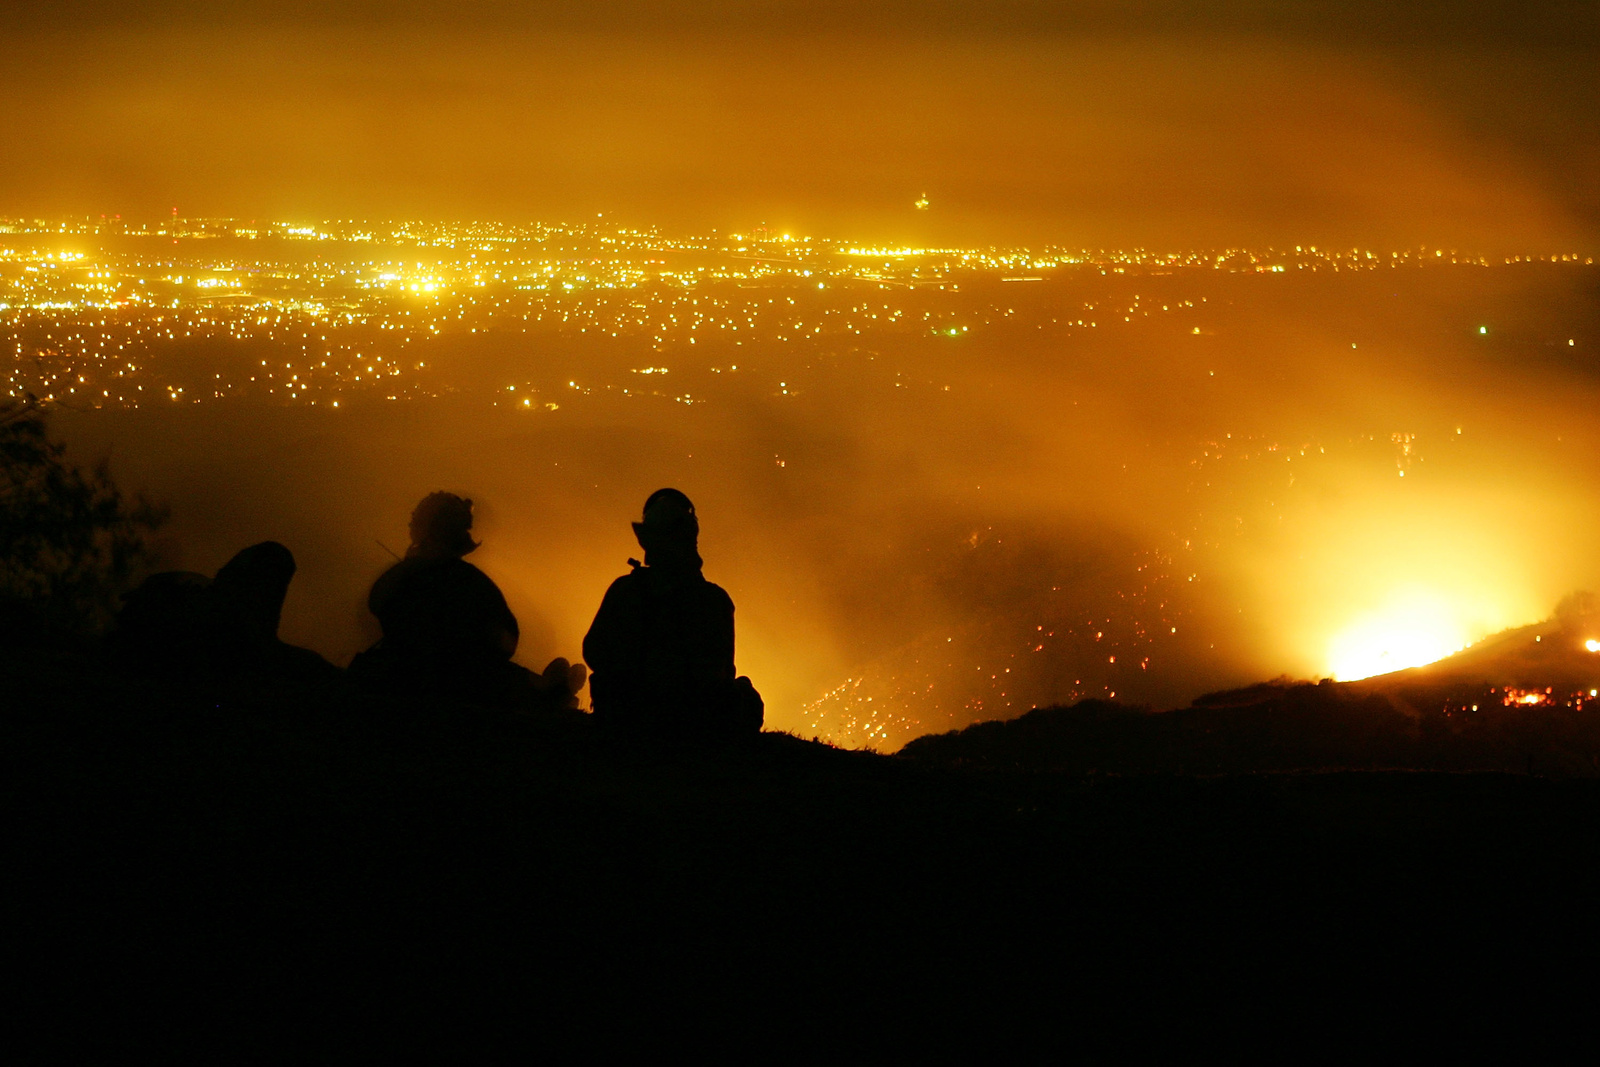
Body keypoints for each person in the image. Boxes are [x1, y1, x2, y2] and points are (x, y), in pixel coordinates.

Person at [354, 492, 584, 709]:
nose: (409, 524)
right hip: (455, 681)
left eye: (416, 519)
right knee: (514, 682)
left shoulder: (421, 577)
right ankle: (552, 693)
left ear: (429, 528)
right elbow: (505, 641)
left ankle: (551, 691)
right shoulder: (470, 581)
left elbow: (379, 606)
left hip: (432, 680)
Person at [583, 489, 762, 738]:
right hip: (686, 727)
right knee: (745, 692)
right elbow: (719, 676)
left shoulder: (623, 589)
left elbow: (593, 651)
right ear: (690, 541)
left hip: (620, 719)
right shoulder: (712, 600)